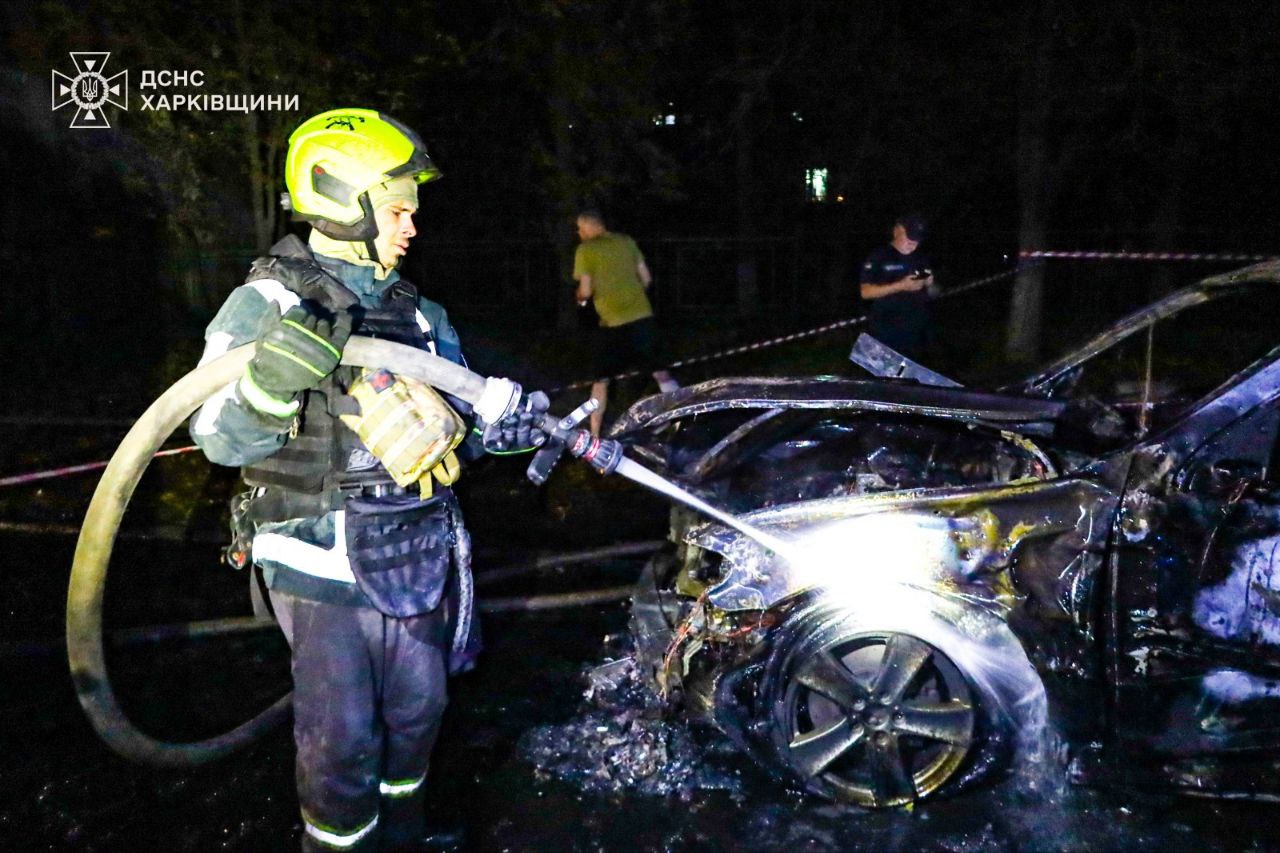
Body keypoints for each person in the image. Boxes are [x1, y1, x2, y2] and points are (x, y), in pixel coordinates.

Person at [191, 108, 544, 852]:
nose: (412, 224)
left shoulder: (421, 314)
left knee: (419, 711)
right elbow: (217, 439)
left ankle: (405, 835)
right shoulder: (270, 302)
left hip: (417, 547)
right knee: (341, 738)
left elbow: (459, 428)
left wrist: (499, 433)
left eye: (412, 208)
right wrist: (268, 386)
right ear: (338, 198)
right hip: (319, 557)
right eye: (396, 208)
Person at [572, 210, 679, 436]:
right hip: (641, 317)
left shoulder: (586, 250)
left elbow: (586, 290)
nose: (578, 233)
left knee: (601, 381)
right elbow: (647, 278)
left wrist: (580, 299)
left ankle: (594, 435)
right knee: (661, 373)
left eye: (580, 228)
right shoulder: (626, 241)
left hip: (612, 325)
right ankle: (681, 419)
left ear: (590, 227)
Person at [858, 213, 939, 361]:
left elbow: (935, 293)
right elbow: (865, 292)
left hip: (918, 337)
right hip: (885, 335)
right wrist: (901, 286)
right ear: (896, 231)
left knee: (916, 381)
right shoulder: (878, 257)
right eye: (909, 237)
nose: (913, 244)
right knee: (883, 382)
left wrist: (930, 283)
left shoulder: (921, 258)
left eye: (917, 240)